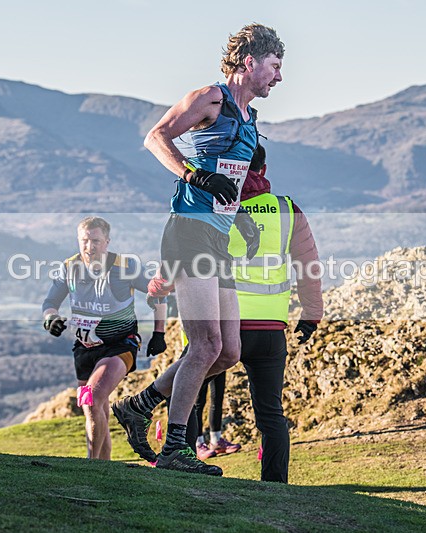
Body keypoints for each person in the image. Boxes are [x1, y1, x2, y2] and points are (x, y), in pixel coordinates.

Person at [112, 24, 284, 476]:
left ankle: (139, 406)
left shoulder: (248, 118)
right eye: (274, 66)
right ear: (250, 61)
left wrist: (240, 215)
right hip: (189, 230)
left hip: (218, 236)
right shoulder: (210, 98)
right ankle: (174, 448)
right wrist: (193, 175)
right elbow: (155, 137)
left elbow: (231, 177)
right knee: (205, 344)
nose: (279, 77)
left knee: (228, 351)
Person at [227, 143, 323, 482]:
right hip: (269, 329)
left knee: (193, 397)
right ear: (263, 170)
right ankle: (275, 485)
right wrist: (311, 315)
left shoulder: (215, 205)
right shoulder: (287, 209)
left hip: (222, 325)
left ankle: (187, 472)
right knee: (270, 414)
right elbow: (308, 266)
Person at [42, 216, 168, 460]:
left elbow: (157, 293)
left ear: (107, 242)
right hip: (84, 348)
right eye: (84, 240)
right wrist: (51, 318)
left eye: (96, 241)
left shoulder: (125, 267)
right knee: (94, 406)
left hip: (119, 345)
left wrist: (159, 333)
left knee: (92, 399)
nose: (89, 247)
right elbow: (50, 302)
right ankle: (105, 465)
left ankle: (90, 465)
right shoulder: (69, 267)